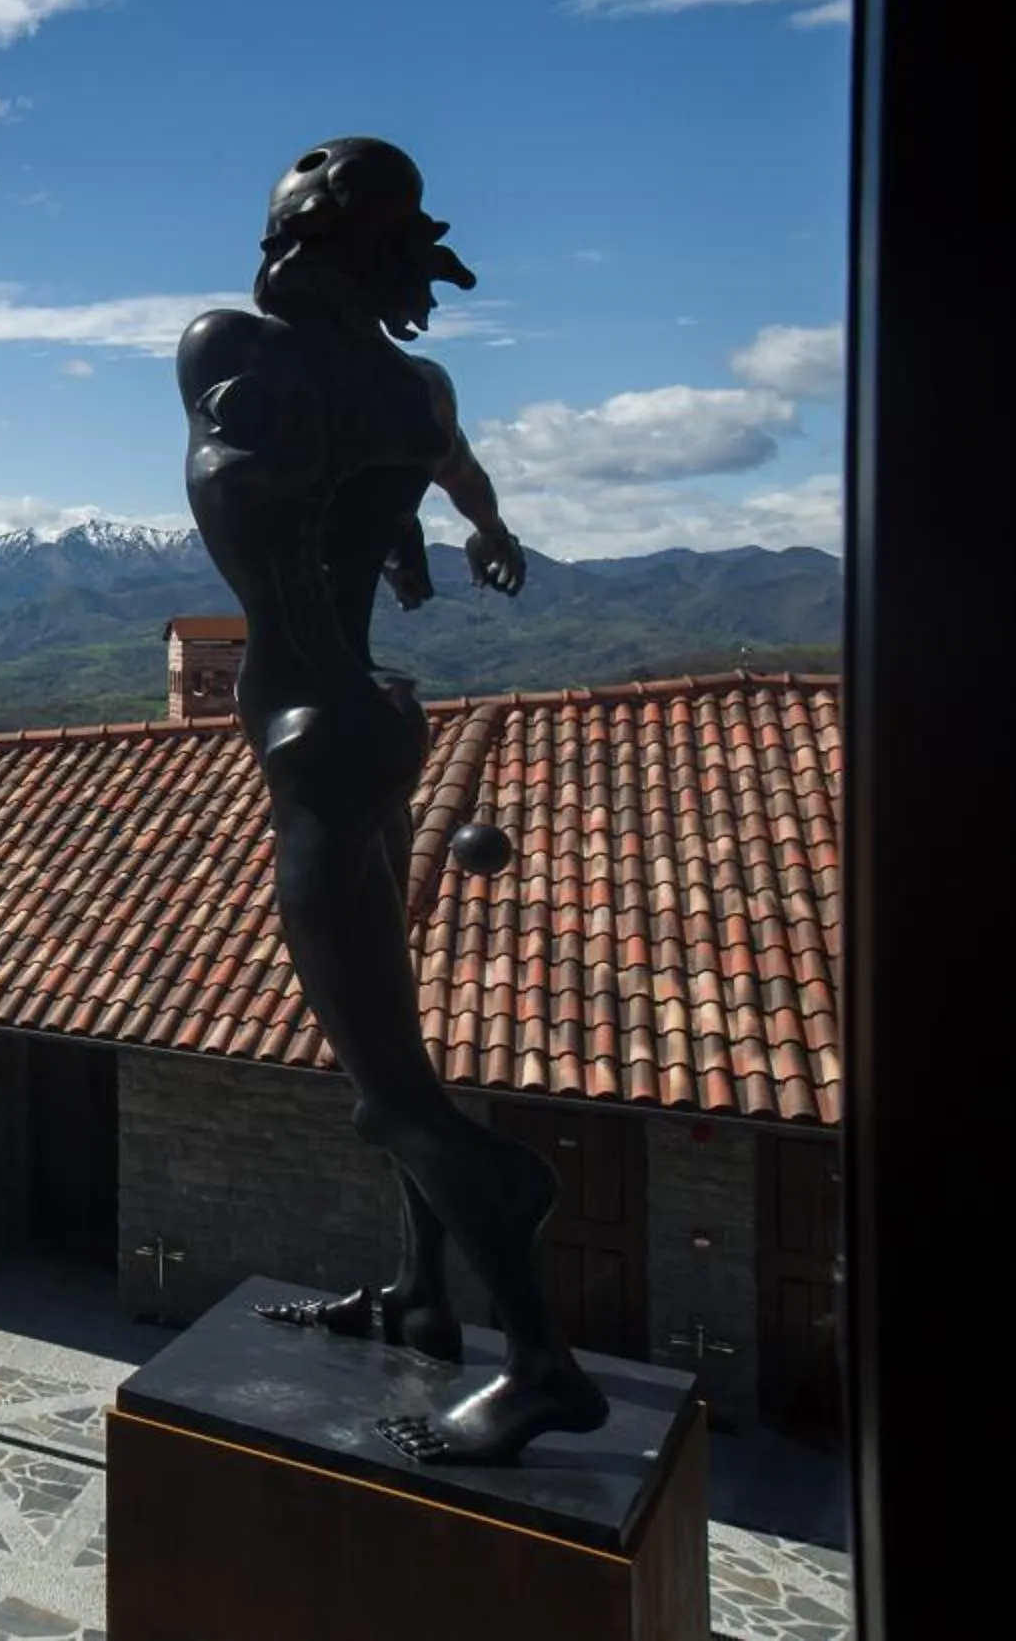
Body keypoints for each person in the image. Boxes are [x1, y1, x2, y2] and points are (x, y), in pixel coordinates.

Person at [174, 138, 605, 1466]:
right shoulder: (413, 388)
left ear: (294, 244)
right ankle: (425, 1297)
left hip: (319, 736)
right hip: (379, 721)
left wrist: (328, 587)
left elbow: (253, 511)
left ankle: (540, 1355)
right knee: (399, 1021)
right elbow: (443, 472)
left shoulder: (233, 348)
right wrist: (466, 532)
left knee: (386, 1083)